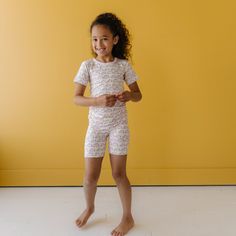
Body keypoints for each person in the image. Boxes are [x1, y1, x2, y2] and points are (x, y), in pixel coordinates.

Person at [73, 12, 142, 236]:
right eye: (94, 39)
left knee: (119, 174)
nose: (98, 44)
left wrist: (128, 96)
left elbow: (138, 94)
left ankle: (127, 217)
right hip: (96, 127)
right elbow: (76, 98)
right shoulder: (87, 66)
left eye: (104, 38)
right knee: (89, 176)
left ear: (115, 39)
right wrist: (97, 100)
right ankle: (90, 207)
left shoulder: (123, 65)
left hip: (118, 126)